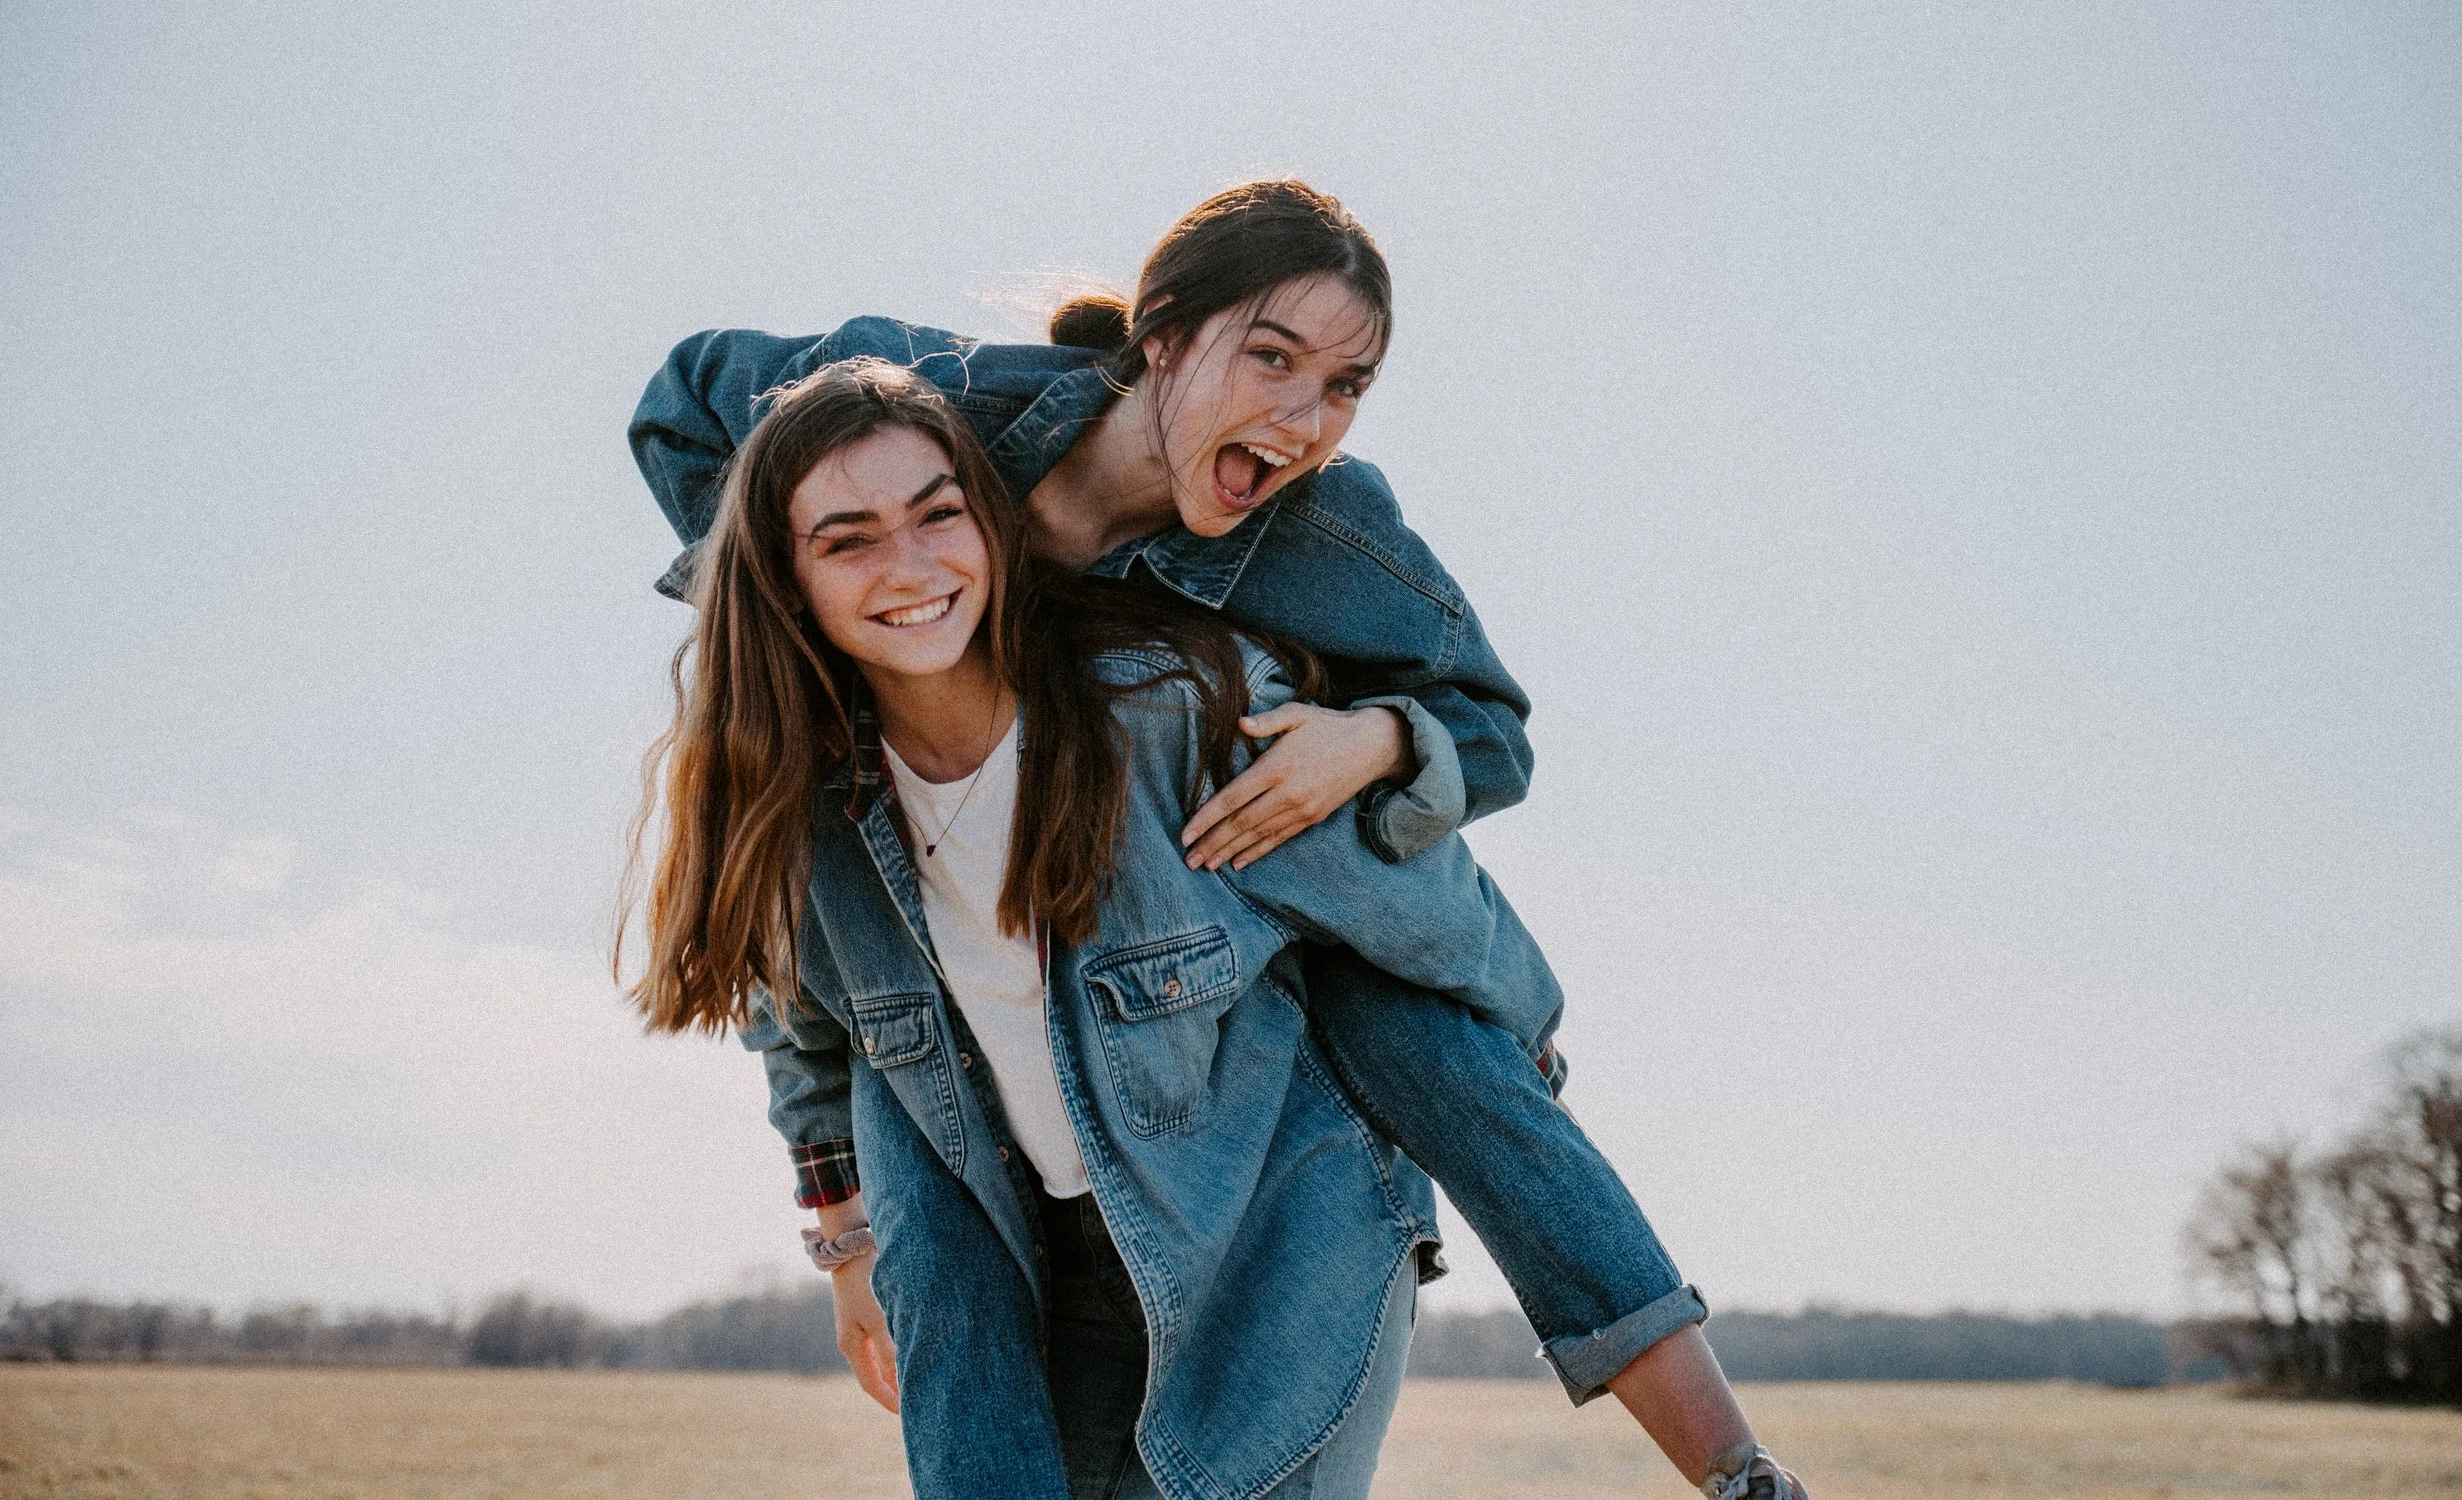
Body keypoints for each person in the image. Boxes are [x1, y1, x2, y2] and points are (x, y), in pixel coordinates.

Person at [630, 181, 1806, 1500]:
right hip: (1018, 1201)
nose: (1304, 421)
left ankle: (1745, 1475)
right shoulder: (941, 420)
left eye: (1347, 384)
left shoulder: (1259, 617)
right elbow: (683, 408)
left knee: (1380, 1004)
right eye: (1273, 357)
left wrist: (1372, 744)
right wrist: (786, 597)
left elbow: (1489, 743)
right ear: (1160, 338)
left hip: (1261, 1142)